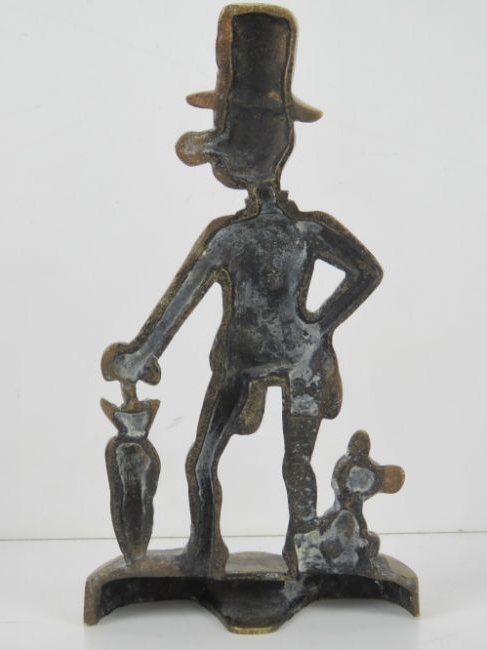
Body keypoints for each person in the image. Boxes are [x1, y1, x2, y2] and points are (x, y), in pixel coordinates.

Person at [101, 5, 382, 577]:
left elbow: (175, 312)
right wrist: (317, 328)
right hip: (290, 357)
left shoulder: (234, 238)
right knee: (277, 462)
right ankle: (263, 551)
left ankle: (236, 552)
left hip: (257, 357)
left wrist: (139, 355)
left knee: (213, 461)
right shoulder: (299, 231)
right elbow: (365, 273)